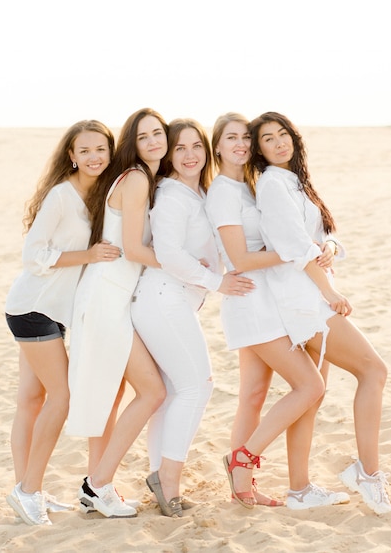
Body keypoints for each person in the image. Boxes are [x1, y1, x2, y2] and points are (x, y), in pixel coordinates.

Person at [248, 111, 390, 515]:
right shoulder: (273, 185)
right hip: (305, 301)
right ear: (258, 151)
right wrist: (330, 291)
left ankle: (299, 489)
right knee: (374, 371)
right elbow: (294, 247)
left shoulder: (294, 181)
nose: (279, 143)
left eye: (283, 135)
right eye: (268, 140)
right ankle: (368, 472)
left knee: (313, 397)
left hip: (309, 294)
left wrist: (331, 247)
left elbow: (320, 235)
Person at [206, 113, 349, 510]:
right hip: (252, 302)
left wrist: (310, 245)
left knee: (253, 395)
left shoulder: (248, 187)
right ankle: (243, 459)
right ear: (216, 146)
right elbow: (238, 257)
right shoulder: (223, 192)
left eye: (245, 138)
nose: (241, 144)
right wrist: (294, 250)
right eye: (231, 138)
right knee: (310, 386)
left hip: (264, 298)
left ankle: (242, 484)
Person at [131, 118, 254, 517]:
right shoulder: (171, 195)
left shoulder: (196, 192)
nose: (189, 155)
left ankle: (157, 476)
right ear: (169, 153)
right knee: (198, 386)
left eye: (195, 146)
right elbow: (168, 253)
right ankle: (167, 480)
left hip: (173, 302)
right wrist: (214, 280)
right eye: (179, 147)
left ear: (206, 149)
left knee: (171, 392)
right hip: (162, 300)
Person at [5, 120, 121, 526]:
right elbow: (33, 254)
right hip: (32, 306)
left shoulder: (99, 195)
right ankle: (29, 490)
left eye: (100, 149)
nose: (94, 157)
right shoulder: (60, 195)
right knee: (62, 396)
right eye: (85, 150)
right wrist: (89, 255)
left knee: (31, 401)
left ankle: (26, 488)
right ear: (71, 155)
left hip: (50, 311)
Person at [66, 108, 168, 519]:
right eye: (144, 137)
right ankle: (97, 483)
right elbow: (133, 249)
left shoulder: (135, 178)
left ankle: (96, 484)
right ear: (133, 144)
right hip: (107, 295)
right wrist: (186, 265)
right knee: (153, 391)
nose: (154, 142)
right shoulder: (138, 178)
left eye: (158, 133)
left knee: (110, 396)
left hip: (109, 293)